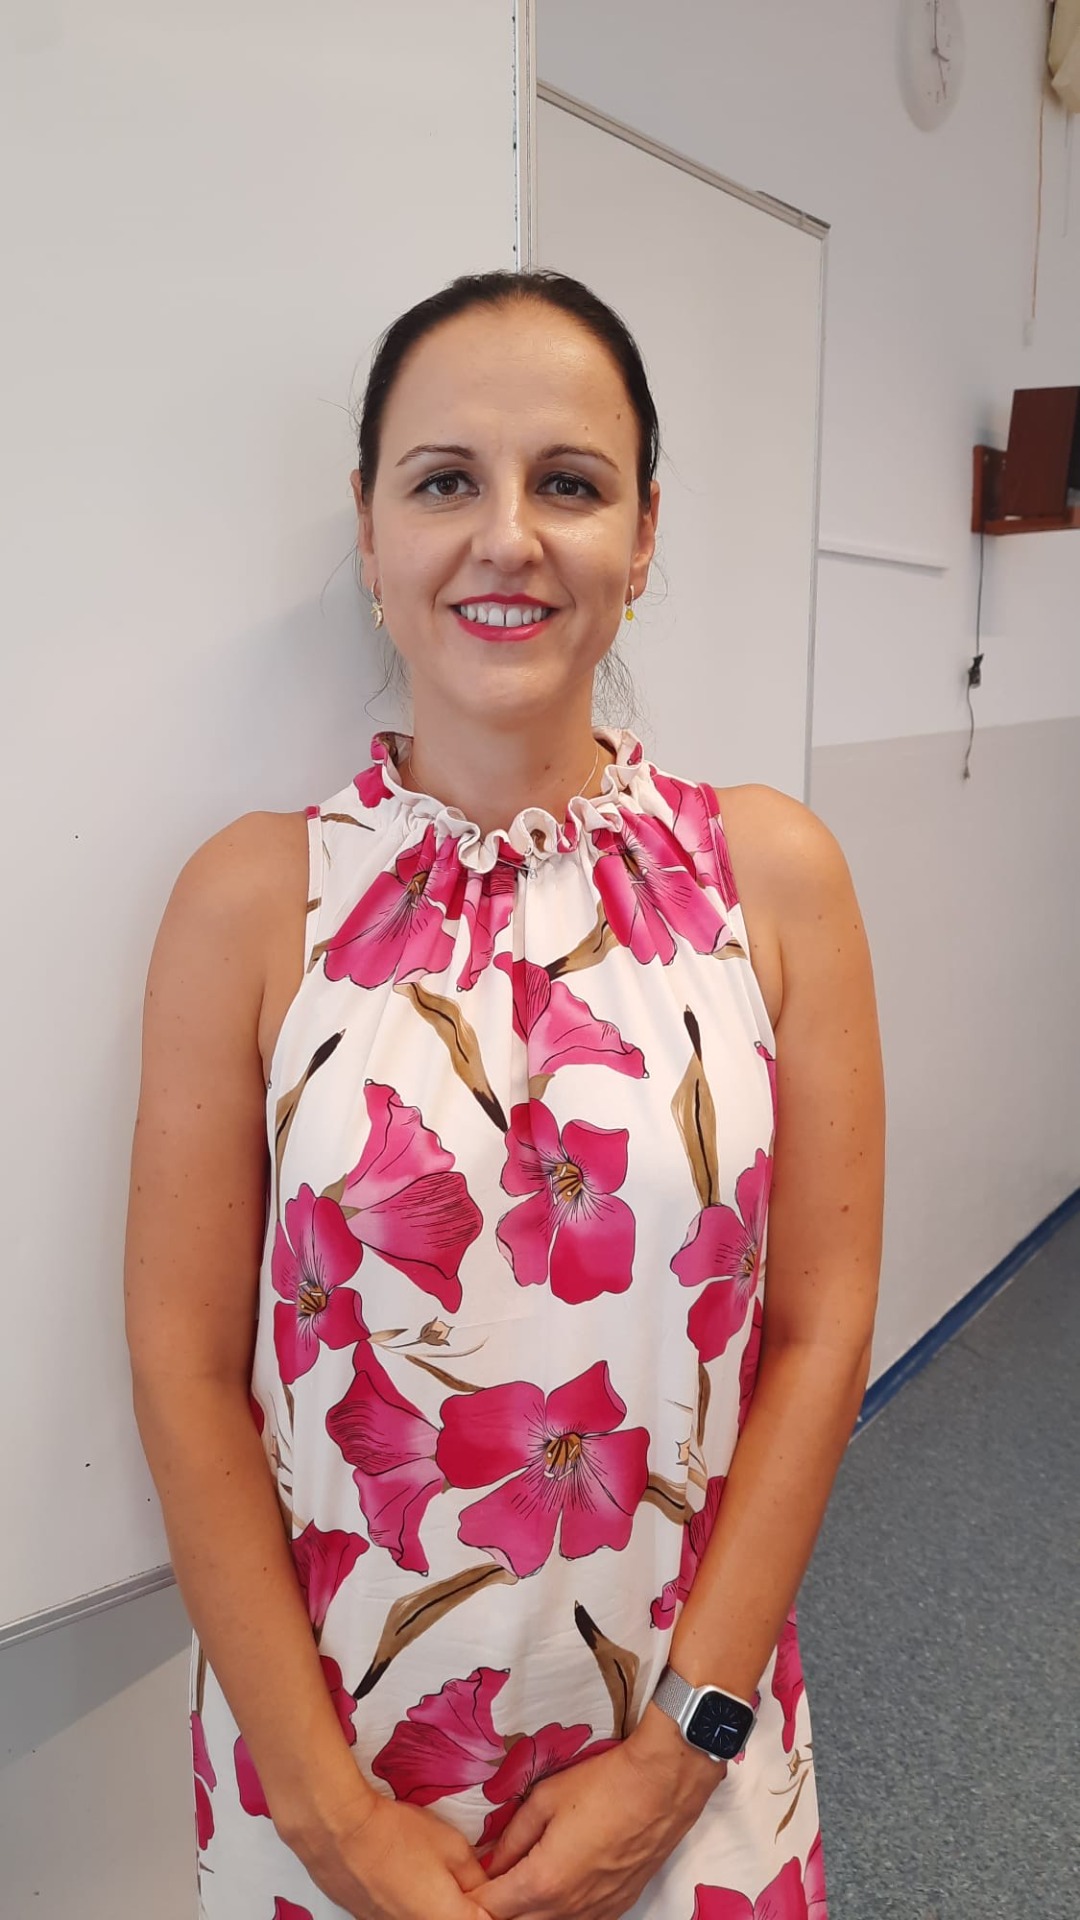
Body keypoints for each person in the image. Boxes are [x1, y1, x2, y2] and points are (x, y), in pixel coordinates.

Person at [124, 269, 885, 1920]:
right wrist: (331, 1820)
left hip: (692, 1750)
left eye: (572, 484)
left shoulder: (773, 880)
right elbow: (184, 1371)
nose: (508, 538)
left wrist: (679, 1757)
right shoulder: (254, 904)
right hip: (332, 1766)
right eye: (446, 482)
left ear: (646, 532)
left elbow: (821, 1331)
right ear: (369, 526)